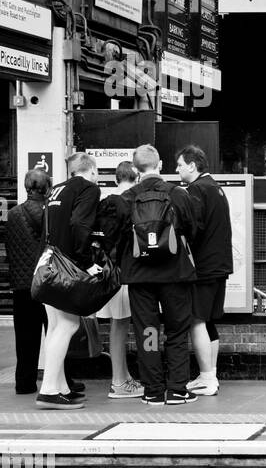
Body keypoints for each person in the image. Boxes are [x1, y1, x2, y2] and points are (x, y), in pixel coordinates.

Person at [109, 144, 199, 406]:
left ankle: (153, 390)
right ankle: (177, 389)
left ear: (135, 169)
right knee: (176, 330)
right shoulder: (178, 194)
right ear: (160, 164)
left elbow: (115, 238)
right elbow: (192, 229)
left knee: (146, 331)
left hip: (140, 275)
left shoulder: (126, 198)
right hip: (174, 273)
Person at [36, 153, 101, 410]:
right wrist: (86, 262)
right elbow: (79, 224)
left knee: (55, 327)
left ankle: (60, 386)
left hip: (47, 264)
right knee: (68, 325)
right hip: (67, 267)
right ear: (92, 170)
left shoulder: (55, 190)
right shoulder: (89, 189)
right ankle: (50, 390)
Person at [5, 168, 71, 396]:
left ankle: (24, 383)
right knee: (56, 332)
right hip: (47, 284)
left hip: (22, 285)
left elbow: (10, 249)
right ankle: (63, 380)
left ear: (26, 187)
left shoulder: (13, 214)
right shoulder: (51, 213)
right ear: (48, 188)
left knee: (24, 337)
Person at [177, 146, 234, 396]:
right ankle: (210, 374)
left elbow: (194, 227)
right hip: (219, 265)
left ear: (192, 165)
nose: (176, 169)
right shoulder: (216, 188)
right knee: (208, 320)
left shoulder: (197, 190)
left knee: (195, 319)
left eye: (179, 164)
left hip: (203, 266)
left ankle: (207, 378)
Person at [91, 161, 144, 399]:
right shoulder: (131, 204)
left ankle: (124, 377)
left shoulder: (106, 203)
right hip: (124, 273)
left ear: (115, 179)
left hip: (107, 271)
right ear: (138, 179)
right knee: (120, 327)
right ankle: (118, 382)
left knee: (116, 324)